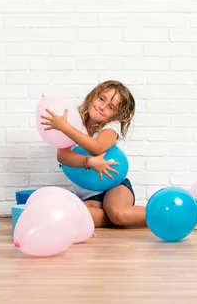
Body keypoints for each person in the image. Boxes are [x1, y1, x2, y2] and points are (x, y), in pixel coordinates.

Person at [40, 80, 146, 228]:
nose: (102, 107)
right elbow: (63, 157)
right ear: (92, 96)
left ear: (117, 115)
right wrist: (90, 162)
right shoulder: (74, 120)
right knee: (72, 215)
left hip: (115, 187)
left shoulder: (111, 126)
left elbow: (98, 147)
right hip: (89, 196)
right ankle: (116, 218)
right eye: (101, 99)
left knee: (119, 213)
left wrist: (66, 128)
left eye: (111, 107)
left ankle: (165, 215)